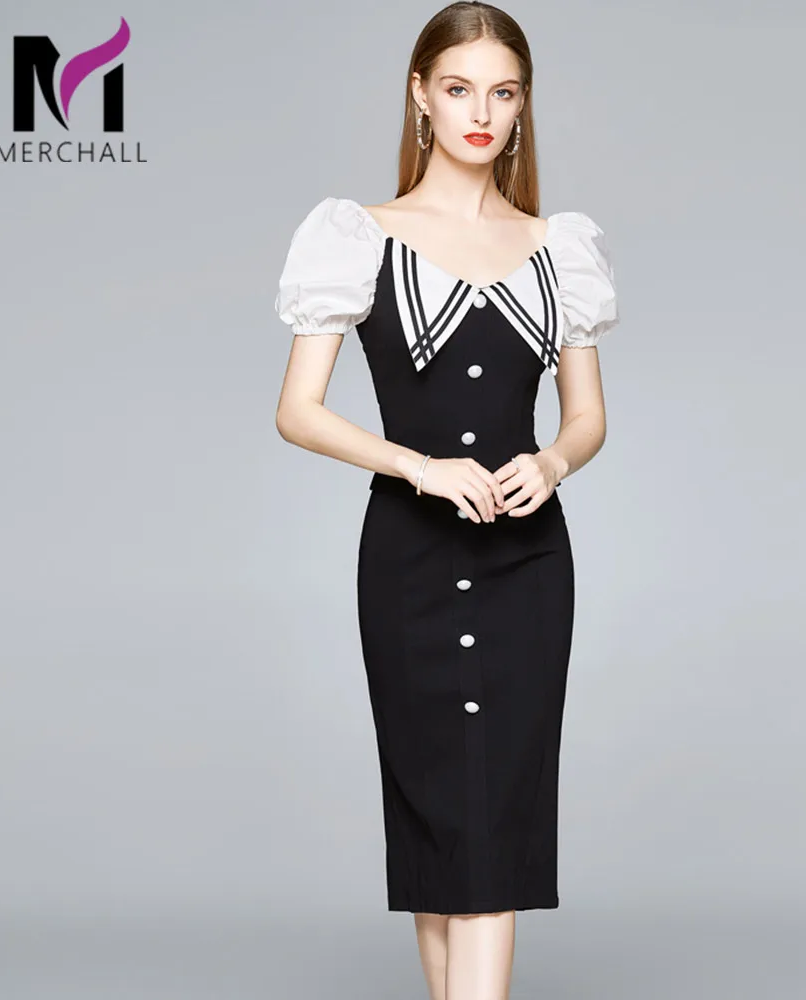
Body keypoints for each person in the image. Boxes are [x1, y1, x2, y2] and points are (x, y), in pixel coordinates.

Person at [273, 3, 619, 997]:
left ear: (523, 106)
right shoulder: (358, 236)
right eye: (459, 89)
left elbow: (587, 417)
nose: (481, 113)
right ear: (420, 95)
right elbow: (297, 411)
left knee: (495, 824)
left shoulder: (559, 247)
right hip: (408, 565)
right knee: (438, 829)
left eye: (502, 93)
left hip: (527, 569)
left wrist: (551, 464)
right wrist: (417, 466)